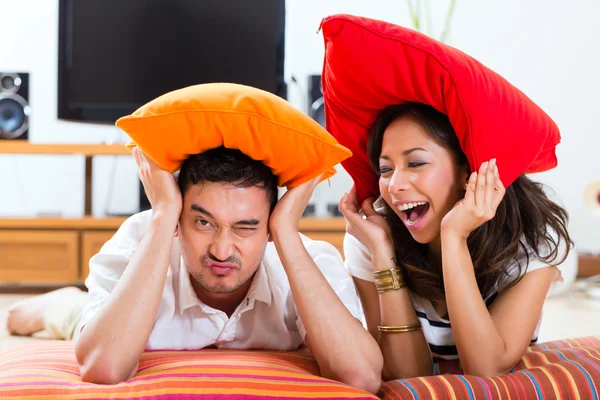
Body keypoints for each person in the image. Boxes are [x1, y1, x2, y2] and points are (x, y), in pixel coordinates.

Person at [7, 146, 383, 392]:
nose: (221, 250)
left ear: (268, 226)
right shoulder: (141, 238)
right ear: (179, 219)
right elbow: (102, 368)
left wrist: (285, 230)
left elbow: (362, 377)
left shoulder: (309, 259)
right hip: (114, 318)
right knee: (74, 316)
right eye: (203, 223)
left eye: (246, 227)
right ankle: (61, 302)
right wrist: (162, 217)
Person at [338, 103, 572, 380]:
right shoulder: (372, 235)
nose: (394, 185)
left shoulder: (531, 233)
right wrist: (381, 251)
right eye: (386, 169)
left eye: (415, 163)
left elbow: (486, 368)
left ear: (467, 172)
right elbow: (406, 374)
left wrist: (453, 237)